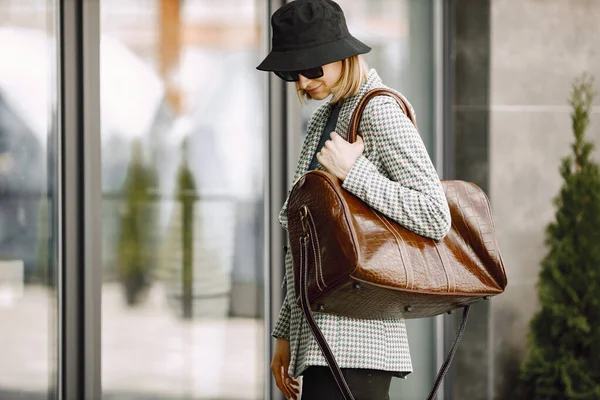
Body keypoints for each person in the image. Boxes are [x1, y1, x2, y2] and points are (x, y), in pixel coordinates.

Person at [257, 0, 451, 399]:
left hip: (361, 340)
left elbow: (434, 214)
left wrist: (355, 173)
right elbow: (306, 245)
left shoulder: (378, 110)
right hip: (320, 339)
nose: (302, 83)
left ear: (343, 57)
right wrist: (284, 332)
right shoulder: (325, 118)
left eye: (312, 68)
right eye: (293, 72)